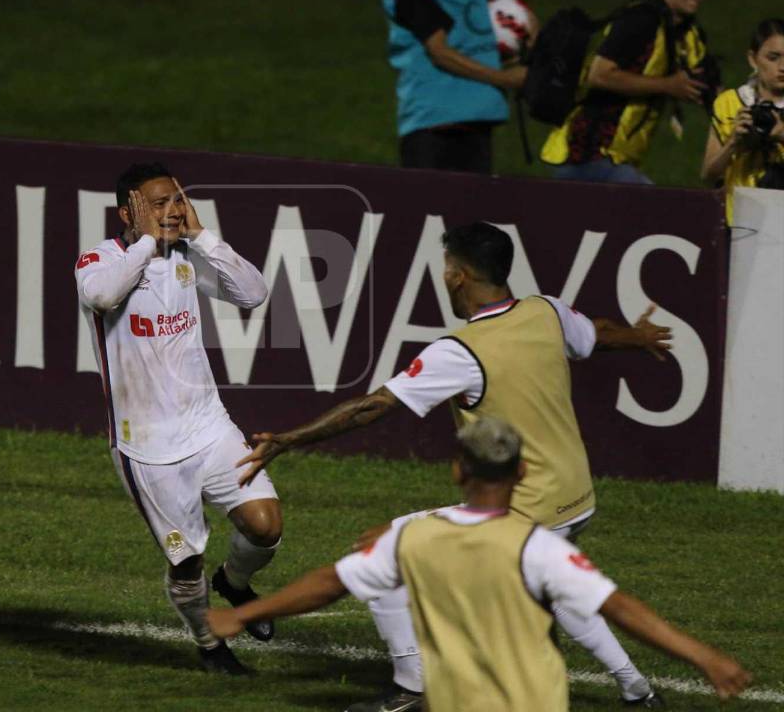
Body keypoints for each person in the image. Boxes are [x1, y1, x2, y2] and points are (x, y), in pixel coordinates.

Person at [238, 222, 671, 710]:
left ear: (458, 277)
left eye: (446, 269)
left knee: (386, 552)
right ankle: (639, 691)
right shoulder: (545, 310)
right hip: (576, 496)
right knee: (555, 582)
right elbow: (597, 334)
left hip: (526, 506)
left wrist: (289, 440)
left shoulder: (460, 352)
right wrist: (639, 336)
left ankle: (411, 688)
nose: (443, 277)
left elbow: (373, 406)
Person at [209, 417, 753, 711]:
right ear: (520, 476)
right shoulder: (540, 548)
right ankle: (639, 691)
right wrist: (705, 658)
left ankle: (411, 687)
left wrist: (240, 615)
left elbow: (329, 583)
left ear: (455, 470)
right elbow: (622, 608)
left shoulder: (412, 540)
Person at [75, 162, 280, 675]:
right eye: (157, 203)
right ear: (128, 212)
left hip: (210, 426)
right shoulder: (100, 259)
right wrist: (148, 242)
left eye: (176, 200)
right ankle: (209, 643)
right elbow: (101, 296)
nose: (171, 211)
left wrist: (203, 236)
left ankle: (232, 582)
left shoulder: (189, 256)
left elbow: (253, 293)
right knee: (185, 563)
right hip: (147, 447)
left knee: (266, 528)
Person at [542, 0, 718, 184]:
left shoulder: (689, 34)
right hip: (589, 155)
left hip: (619, 160)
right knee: (656, 213)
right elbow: (599, 74)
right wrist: (668, 85)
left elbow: (713, 91)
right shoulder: (641, 19)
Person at [383, 0, 527, 174]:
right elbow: (441, 53)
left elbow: (477, 46)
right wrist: (505, 79)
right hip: (433, 128)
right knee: (430, 214)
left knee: (474, 213)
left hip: (478, 123)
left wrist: (523, 51)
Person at [702, 18, 784, 225]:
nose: (782, 67)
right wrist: (733, 142)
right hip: (741, 223)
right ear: (753, 59)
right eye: (773, 58)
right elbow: (708, 175)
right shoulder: (729, 103)